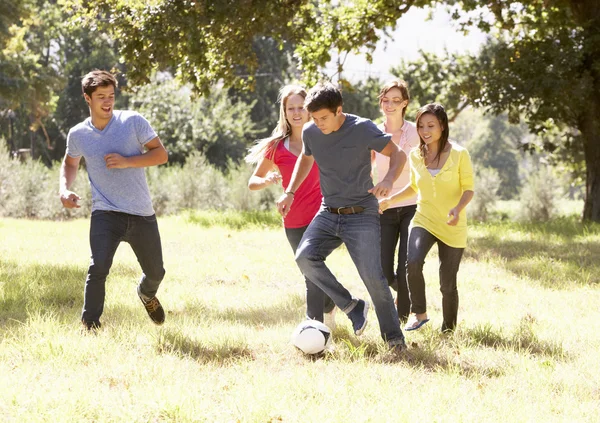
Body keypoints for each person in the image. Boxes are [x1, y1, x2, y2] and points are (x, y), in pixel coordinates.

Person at [277, 82, 407, 350]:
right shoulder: (313, 132)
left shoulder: (362, 128)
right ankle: (351, 305)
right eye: (314, 118)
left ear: (339, 110)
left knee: (373, 277)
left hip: (361, 212)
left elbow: (398, 154)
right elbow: (306, 157)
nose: (318, 123)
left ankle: (394, 339)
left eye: (323, 117)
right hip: (328, 211)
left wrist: (389, 180)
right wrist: (290, 190)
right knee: (305, 257)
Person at [59, 70, 168, 331]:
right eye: (101, 97)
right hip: (105, 211)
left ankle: (146, 293)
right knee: (98, 267)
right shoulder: (78, 134)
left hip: (141, 212)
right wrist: (64, 189)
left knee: (156, 272)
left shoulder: (132, 121)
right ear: (88, 98)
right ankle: (90, 326)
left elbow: (161, 155)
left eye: (111, 96)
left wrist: (127, 161)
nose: (107, 102)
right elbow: (70, 163)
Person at [245, 84, 337, 327]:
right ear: (284, 113)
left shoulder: (322, 138)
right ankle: (332, 304)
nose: (296, 113)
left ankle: (314, 329)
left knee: (311, 274)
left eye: (301, 107)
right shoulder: (276, 147)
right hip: (293, 219)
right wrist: (267, 180)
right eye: (290, 108)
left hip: (322, 216)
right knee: (311, 273)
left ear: (309, 110)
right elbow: (252, 182)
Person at [379, 103, 474, 332]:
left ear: (442, 125)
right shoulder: (415, 155)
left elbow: (468, 189)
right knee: (412, 262)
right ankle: (418, 312)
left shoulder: (460, 154)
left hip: (452, 225)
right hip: (424, 219)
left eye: (431, 125)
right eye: (421, 125)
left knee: (447, 284)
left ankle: (448, 329)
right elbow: (414, 187)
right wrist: (391, 199)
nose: (425, 130)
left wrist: (458, 209)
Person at [372, 80, 420, 323]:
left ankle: (400, 323)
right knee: (382, 269)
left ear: (405, 104)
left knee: (406, 266)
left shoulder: (415, 132)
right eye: (385, 100)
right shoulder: (374, 132)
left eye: (395, 100)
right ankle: (403, 293)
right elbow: (364, 164)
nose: (389, 105)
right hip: (384, 207)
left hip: (413, 205)